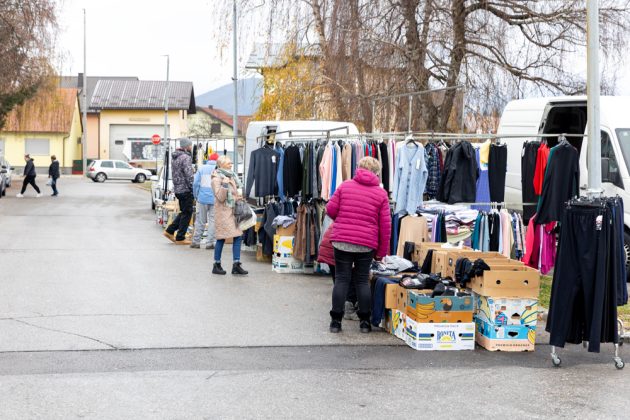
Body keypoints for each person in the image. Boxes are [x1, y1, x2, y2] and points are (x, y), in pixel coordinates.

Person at [325, 157, 391, 334]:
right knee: (362, 281)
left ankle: (336, 322)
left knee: (341, 279)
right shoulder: (381, 194)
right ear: (376, 173)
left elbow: (330, 210)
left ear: (359, 168)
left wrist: (343, 220)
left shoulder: (345, 186)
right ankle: (364, 323)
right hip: (366, 244)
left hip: (342, 241)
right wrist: (381, 252)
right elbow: (385, 227)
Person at [210, 155, 248, 275]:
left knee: (238, 235)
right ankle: (216, 264)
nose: (231, 165)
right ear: (221, 165)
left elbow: (232, 195)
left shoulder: (231, 176)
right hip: (223, 212)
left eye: (231, 163)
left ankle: (236, 264)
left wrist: (238, 197)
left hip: (232, 211)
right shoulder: (216, 179)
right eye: (228, 163)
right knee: (221, 237)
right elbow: (220, 198)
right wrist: (225, 185)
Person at [318, 221, 359, 321]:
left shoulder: (345, 216)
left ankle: (339, 309)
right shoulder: (358, 223)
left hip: (330, 245)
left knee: (338, 282)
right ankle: (349, 311)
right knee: (350, 282)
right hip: (338, 248)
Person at [163, 138, 194, 245]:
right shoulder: (186, 157)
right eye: (190, 145)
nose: (191, 147)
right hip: (186, 189)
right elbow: (189, 175)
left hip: (178, 189)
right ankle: (180, 237)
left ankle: (170, 231)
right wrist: (193, 188)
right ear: (187, 146)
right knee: (187, 213)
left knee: (184, 212)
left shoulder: (175, 157)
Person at [191, 153, 219, 249]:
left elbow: (195, 183)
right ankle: (209, 243)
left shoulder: (202, 169)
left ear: (209, 159)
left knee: (200, 221)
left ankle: (196, 242)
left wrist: (196, 195)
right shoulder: (218, 169)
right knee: (213, 221)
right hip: (215, 199)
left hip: (202, 198)